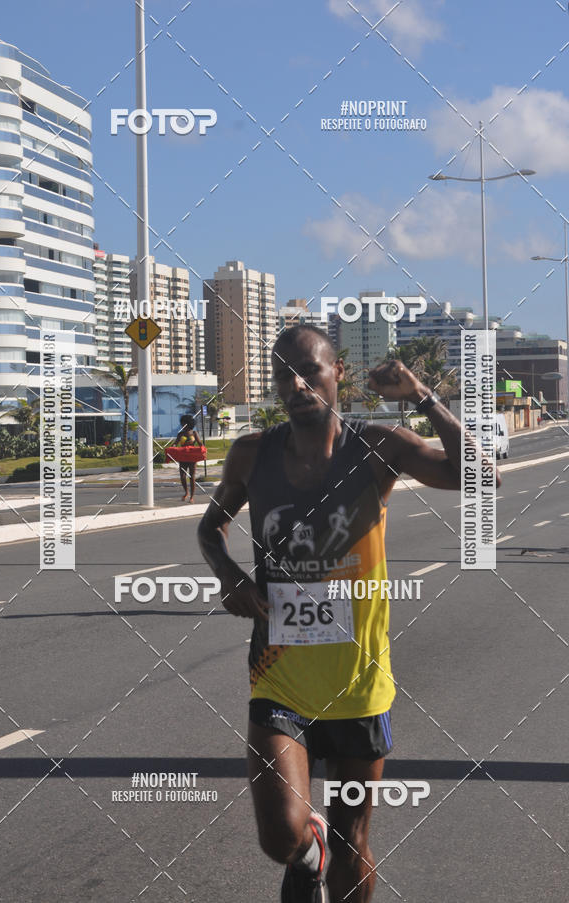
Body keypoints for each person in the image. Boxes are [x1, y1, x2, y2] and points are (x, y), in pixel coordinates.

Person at [198, 325, 500, 902]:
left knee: (353, 834)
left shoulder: (377, 447)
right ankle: (306, 855)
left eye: (309, 370)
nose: (295, 383)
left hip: (360, 686)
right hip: (278, 676)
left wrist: (421, 396)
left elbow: (482, 475)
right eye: (283, 373)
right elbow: (210, 527)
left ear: (338, 374)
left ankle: (328, 857)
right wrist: (229, 575)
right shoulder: (251, 454)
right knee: (280, 836)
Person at [171, 414, 203, 503]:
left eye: (184, 423)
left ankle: (192, 496)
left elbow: (199, 442)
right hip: (183, 457)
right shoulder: (180, 434)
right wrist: (173, 446)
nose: (182, 424)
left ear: (189, 423)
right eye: (182, 423)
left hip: (192, 457)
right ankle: (186, 492)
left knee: (192, 477)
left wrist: (202, 446)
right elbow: (175, 443)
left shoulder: (194, 433)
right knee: (182, 476)